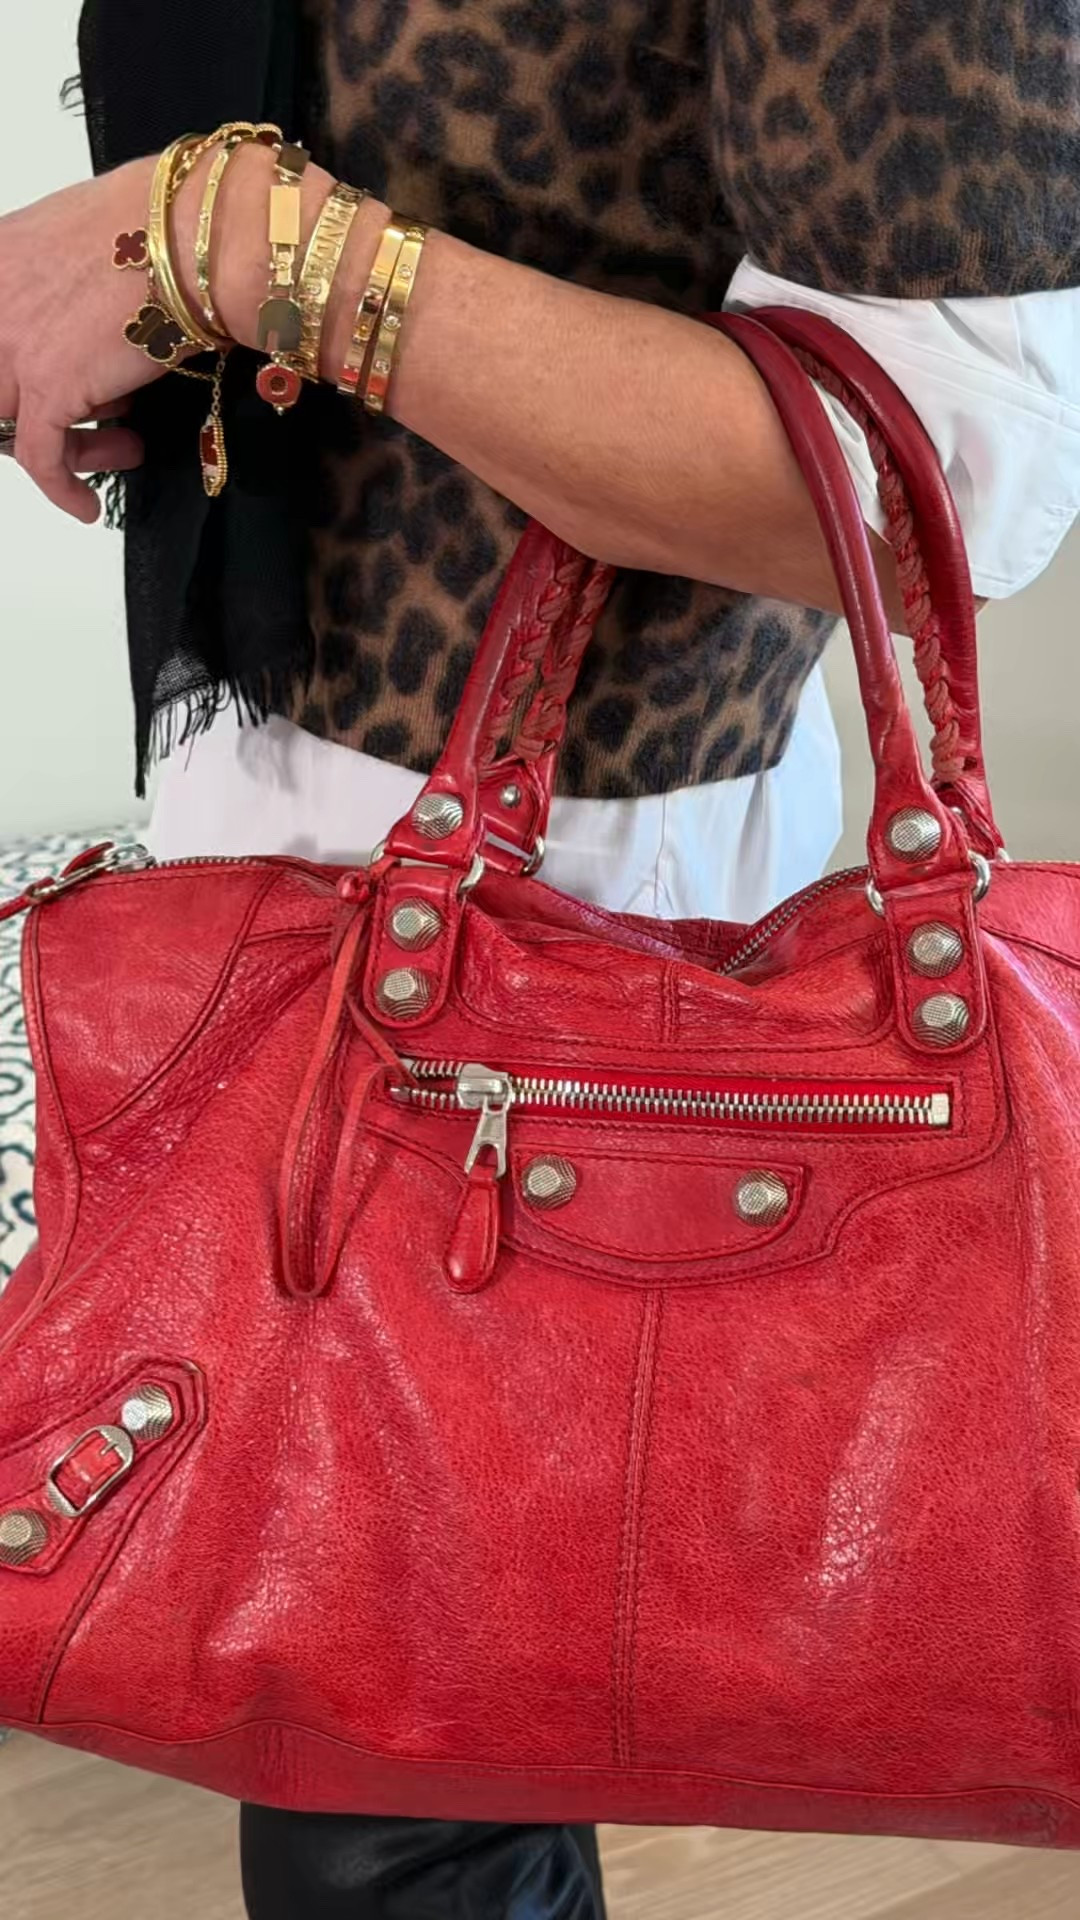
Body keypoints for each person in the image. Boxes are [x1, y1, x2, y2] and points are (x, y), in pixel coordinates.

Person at [2, 0, 1080, 1912]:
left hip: (591, 851)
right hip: (284, 793)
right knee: (385, 1717)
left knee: (403, 1767)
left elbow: (947, 464)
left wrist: (241, 246)